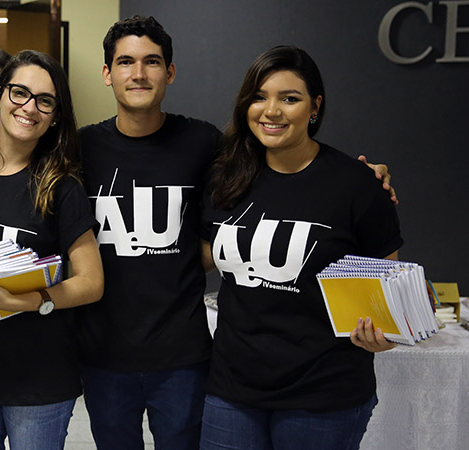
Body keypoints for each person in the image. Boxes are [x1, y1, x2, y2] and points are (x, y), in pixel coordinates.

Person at [76, 15, 397, 450]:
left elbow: (280, 160)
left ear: (169, 72)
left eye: (151, 61)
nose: (138, 73)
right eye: (125, 62)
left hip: (193, 359)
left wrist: (368, 178)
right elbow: (21, 168)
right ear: (106, 72)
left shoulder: (205, 144)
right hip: (122, 359)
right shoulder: (79, 149)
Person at [199, 45, 401, 450]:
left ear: (314, 107)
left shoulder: (356, 185)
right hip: (231, 390)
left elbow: (389, 296)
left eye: (289, 98)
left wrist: (385, 334)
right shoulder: (227, 176)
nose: (271, 110)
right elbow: (203, 256)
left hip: (323, 396)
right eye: (259, 97)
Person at [0, 49, 104, 450]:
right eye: (19, 93)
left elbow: (92, 282)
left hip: (39, 374)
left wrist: (22, 301)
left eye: (45, 101)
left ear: (56, 115)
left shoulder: (62, 187)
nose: (29, 107)